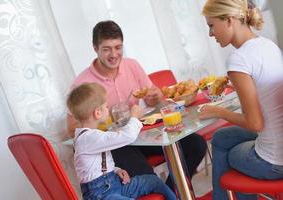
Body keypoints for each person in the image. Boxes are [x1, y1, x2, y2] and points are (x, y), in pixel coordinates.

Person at [67, 20, 207, 183]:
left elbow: (156, 99)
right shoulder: (82, 84)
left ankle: (171, 193)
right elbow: (72, 130)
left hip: (142, 135)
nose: (113, 55)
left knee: (196, 145)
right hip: (115, 146)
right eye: (106, 49)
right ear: (95, 48)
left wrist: (155, 97)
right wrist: (103, 120)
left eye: (118, 48)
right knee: (147, 177)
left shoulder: (132, 65)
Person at [201, 0, 283, 199]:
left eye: (212, 25)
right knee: (221, 138)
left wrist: (218, 111)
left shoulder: (238, 59)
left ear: (229, 20)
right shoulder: (267, 44)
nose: (211, 34)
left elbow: (255, 123)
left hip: (274, 163)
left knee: (230, 154)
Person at [67, 82, 176, 200]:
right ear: (97, 113)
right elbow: (127, 136)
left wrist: (116, 170)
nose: (108, 109)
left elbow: (95, 167)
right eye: (106, 106)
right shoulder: (87, 138)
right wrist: (134, 117)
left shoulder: (92, 136)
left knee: (153, 181)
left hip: (114, 184)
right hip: (101, 195)